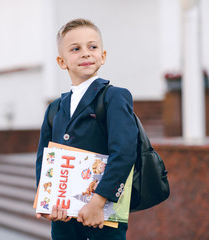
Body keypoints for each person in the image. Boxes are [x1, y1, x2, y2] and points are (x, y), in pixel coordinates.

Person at [36, 18, 138, 240]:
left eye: (92, 47)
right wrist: (47, 202)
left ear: (103, 56)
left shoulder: (114, 97)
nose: (85, 53)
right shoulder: (55, 108)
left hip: (102, 217)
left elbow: (125, 152)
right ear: (62, 61)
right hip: (63, 220)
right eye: (75, 49)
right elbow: (45, 158)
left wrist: (99, 201)